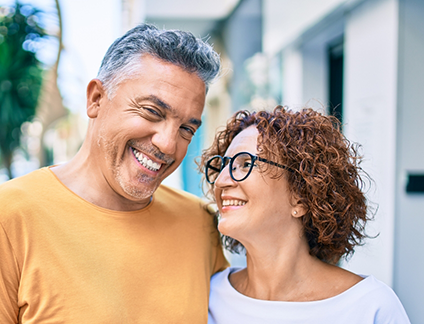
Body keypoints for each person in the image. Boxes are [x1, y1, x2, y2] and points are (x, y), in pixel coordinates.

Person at [0, 23, 228, 323]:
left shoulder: (201, 223)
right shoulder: (11, 215)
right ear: (96, 99)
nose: (168, 144)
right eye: (152, 112)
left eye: (186, 128)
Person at [201, 106, 411, 323]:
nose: (221, 181)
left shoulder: (369, 307)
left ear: (300, 197)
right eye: (223, 166)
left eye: (245, 164)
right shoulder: (208, 296)